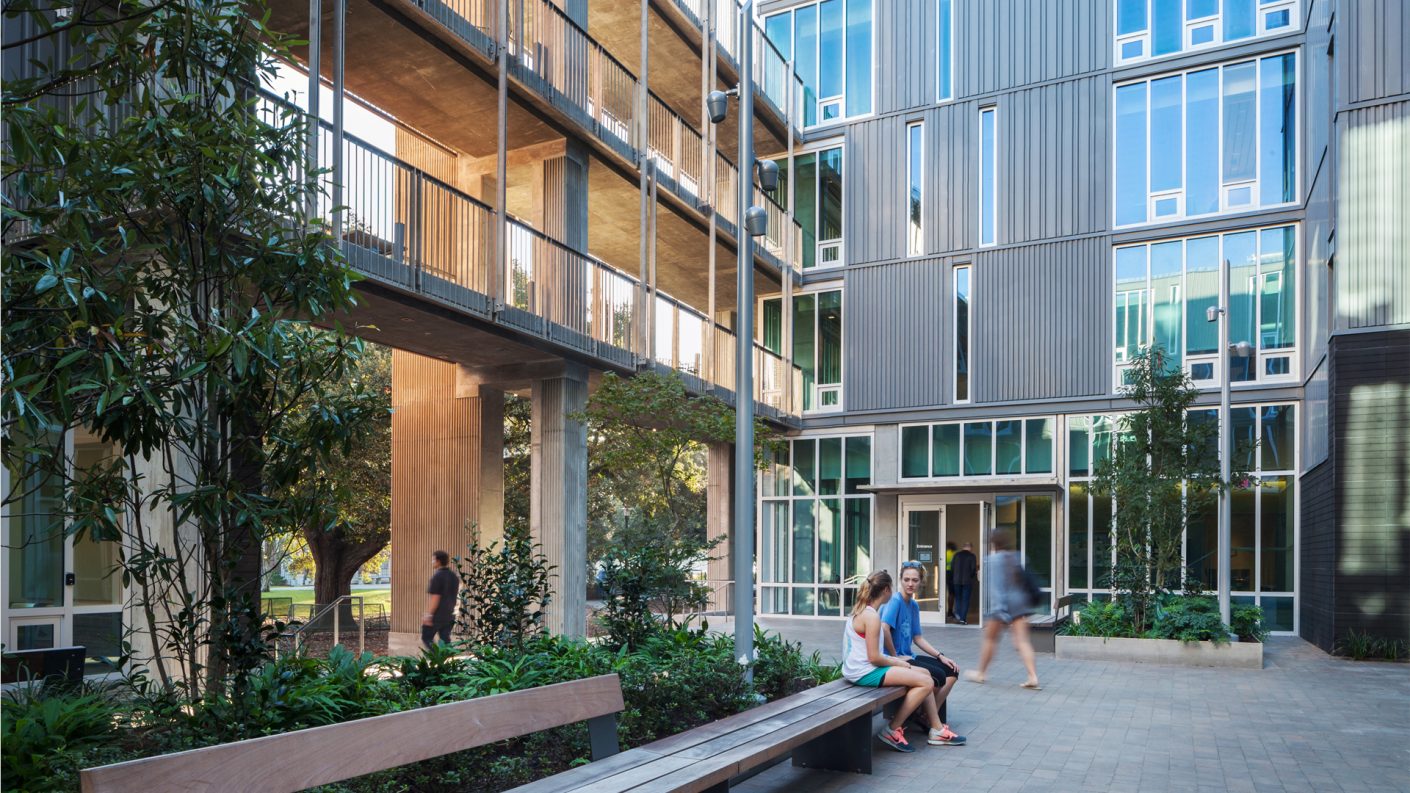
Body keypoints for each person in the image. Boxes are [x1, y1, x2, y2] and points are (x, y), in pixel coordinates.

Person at [842, 570, 950, 753]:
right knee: (926, 681)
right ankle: (892, 730)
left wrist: (899, 661)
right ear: (885, 590)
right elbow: (874, 657)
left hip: (863, 668)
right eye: (891, 588)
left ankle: (937, 729)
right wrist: (900, 663)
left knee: (925, 674)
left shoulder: (865, 611)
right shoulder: (871, 617)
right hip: (864, 672)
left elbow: (873, 655)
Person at [880, 562, 966, 745]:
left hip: (908, 655)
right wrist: (895, 656)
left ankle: (926, 716)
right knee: (937, 676)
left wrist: (940, 656)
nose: (910, 583)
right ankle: (933, 723)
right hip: (894, 658)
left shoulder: (913, 605)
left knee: (952, 671)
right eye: (906, 580)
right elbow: (884, 628)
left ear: (921, 582)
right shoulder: (895, 601)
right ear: (901, 580)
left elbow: (918, 638)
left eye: (915, 580)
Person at [965, 530, 1041, 690]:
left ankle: (981, 673)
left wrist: (1000, 612)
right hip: (1020, 603)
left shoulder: (993, 560)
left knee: (990, 639)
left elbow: (997, 588)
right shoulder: (1016, 556)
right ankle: (1033, 676)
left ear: (993, 543)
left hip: (1003, 605)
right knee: (1022, 641)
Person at [422, 550, 458, 650]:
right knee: (445, 640)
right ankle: (447, 661)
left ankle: (437, 659)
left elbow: (435, 598)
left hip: (437, 615)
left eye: (433, 559)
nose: (432, 562)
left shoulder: (437, 576)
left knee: (427, 637)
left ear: (438, 561)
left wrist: (429, 615)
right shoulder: (454, 576)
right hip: (449, 614)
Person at [951, 542, 978, 624]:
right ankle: (963, 619)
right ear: (970, 547)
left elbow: (952, 567)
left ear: (963, 547)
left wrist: (955, 576)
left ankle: (958, 617)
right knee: (965, 600)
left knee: (958, 599)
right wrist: (971, 576)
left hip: (956, 581)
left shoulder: (956, 555)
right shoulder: (972, 556)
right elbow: (973, 569)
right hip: (967, 581)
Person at [944, 541, 957, 616]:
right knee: (952, 593)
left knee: (948, 593)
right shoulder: (955, 554)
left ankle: (948, 610)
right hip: (953, 573)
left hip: (945, 573)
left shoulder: (945, 553)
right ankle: (950, 610)